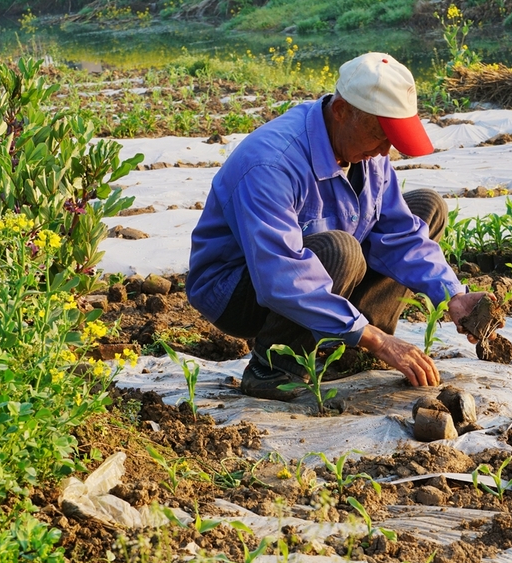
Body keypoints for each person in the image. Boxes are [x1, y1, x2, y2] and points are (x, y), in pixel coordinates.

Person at [187, 52, 494, 400]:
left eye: (393, 139)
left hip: (313, 267)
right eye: (380, 134)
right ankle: (272, 367)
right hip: (240, 289)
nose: (385, 151)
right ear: (341, 111)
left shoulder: (365, 151)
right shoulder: (271, 164)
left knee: (427, 208)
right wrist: (379, 340)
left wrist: (453, 296)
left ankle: (350, 351)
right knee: (340, 250)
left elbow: (398, 234)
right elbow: (278, 275)